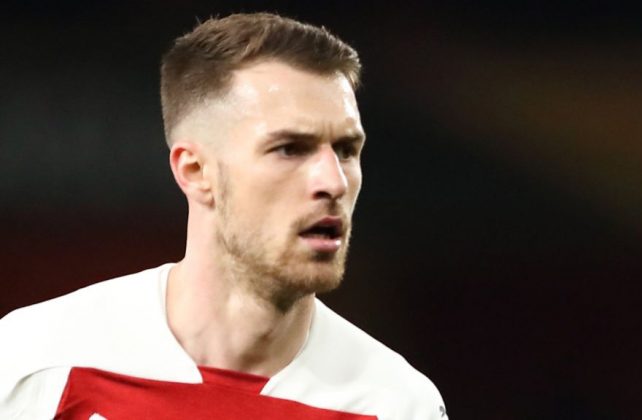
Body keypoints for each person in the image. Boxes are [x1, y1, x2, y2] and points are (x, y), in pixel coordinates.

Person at [0, 12, 447, 420]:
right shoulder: (36, 362)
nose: (333, 182)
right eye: (289, 149)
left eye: (346, 150)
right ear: (196, 172)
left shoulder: (395, 405)